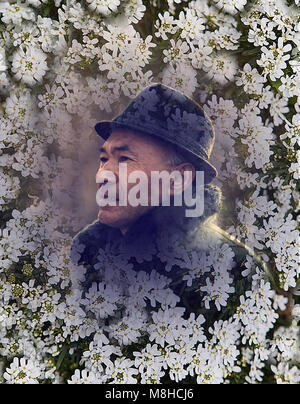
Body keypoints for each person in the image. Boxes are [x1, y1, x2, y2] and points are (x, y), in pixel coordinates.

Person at [70, 83, 270, 324]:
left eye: (124, 159)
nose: (103, 175)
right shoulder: (86, 249)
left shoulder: (236, 270)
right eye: (104, 159)